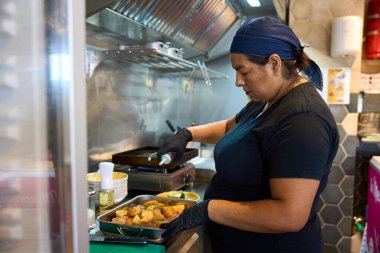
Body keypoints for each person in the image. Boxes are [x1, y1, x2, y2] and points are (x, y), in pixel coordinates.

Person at [158, 16, 339, 253]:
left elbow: (289, 215)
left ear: (274, 64)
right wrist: (186, 134)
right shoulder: (268, 99)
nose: (238, 81)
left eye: (243, 71)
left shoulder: (303, 119)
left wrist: (208, 209)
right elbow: (231, 127)